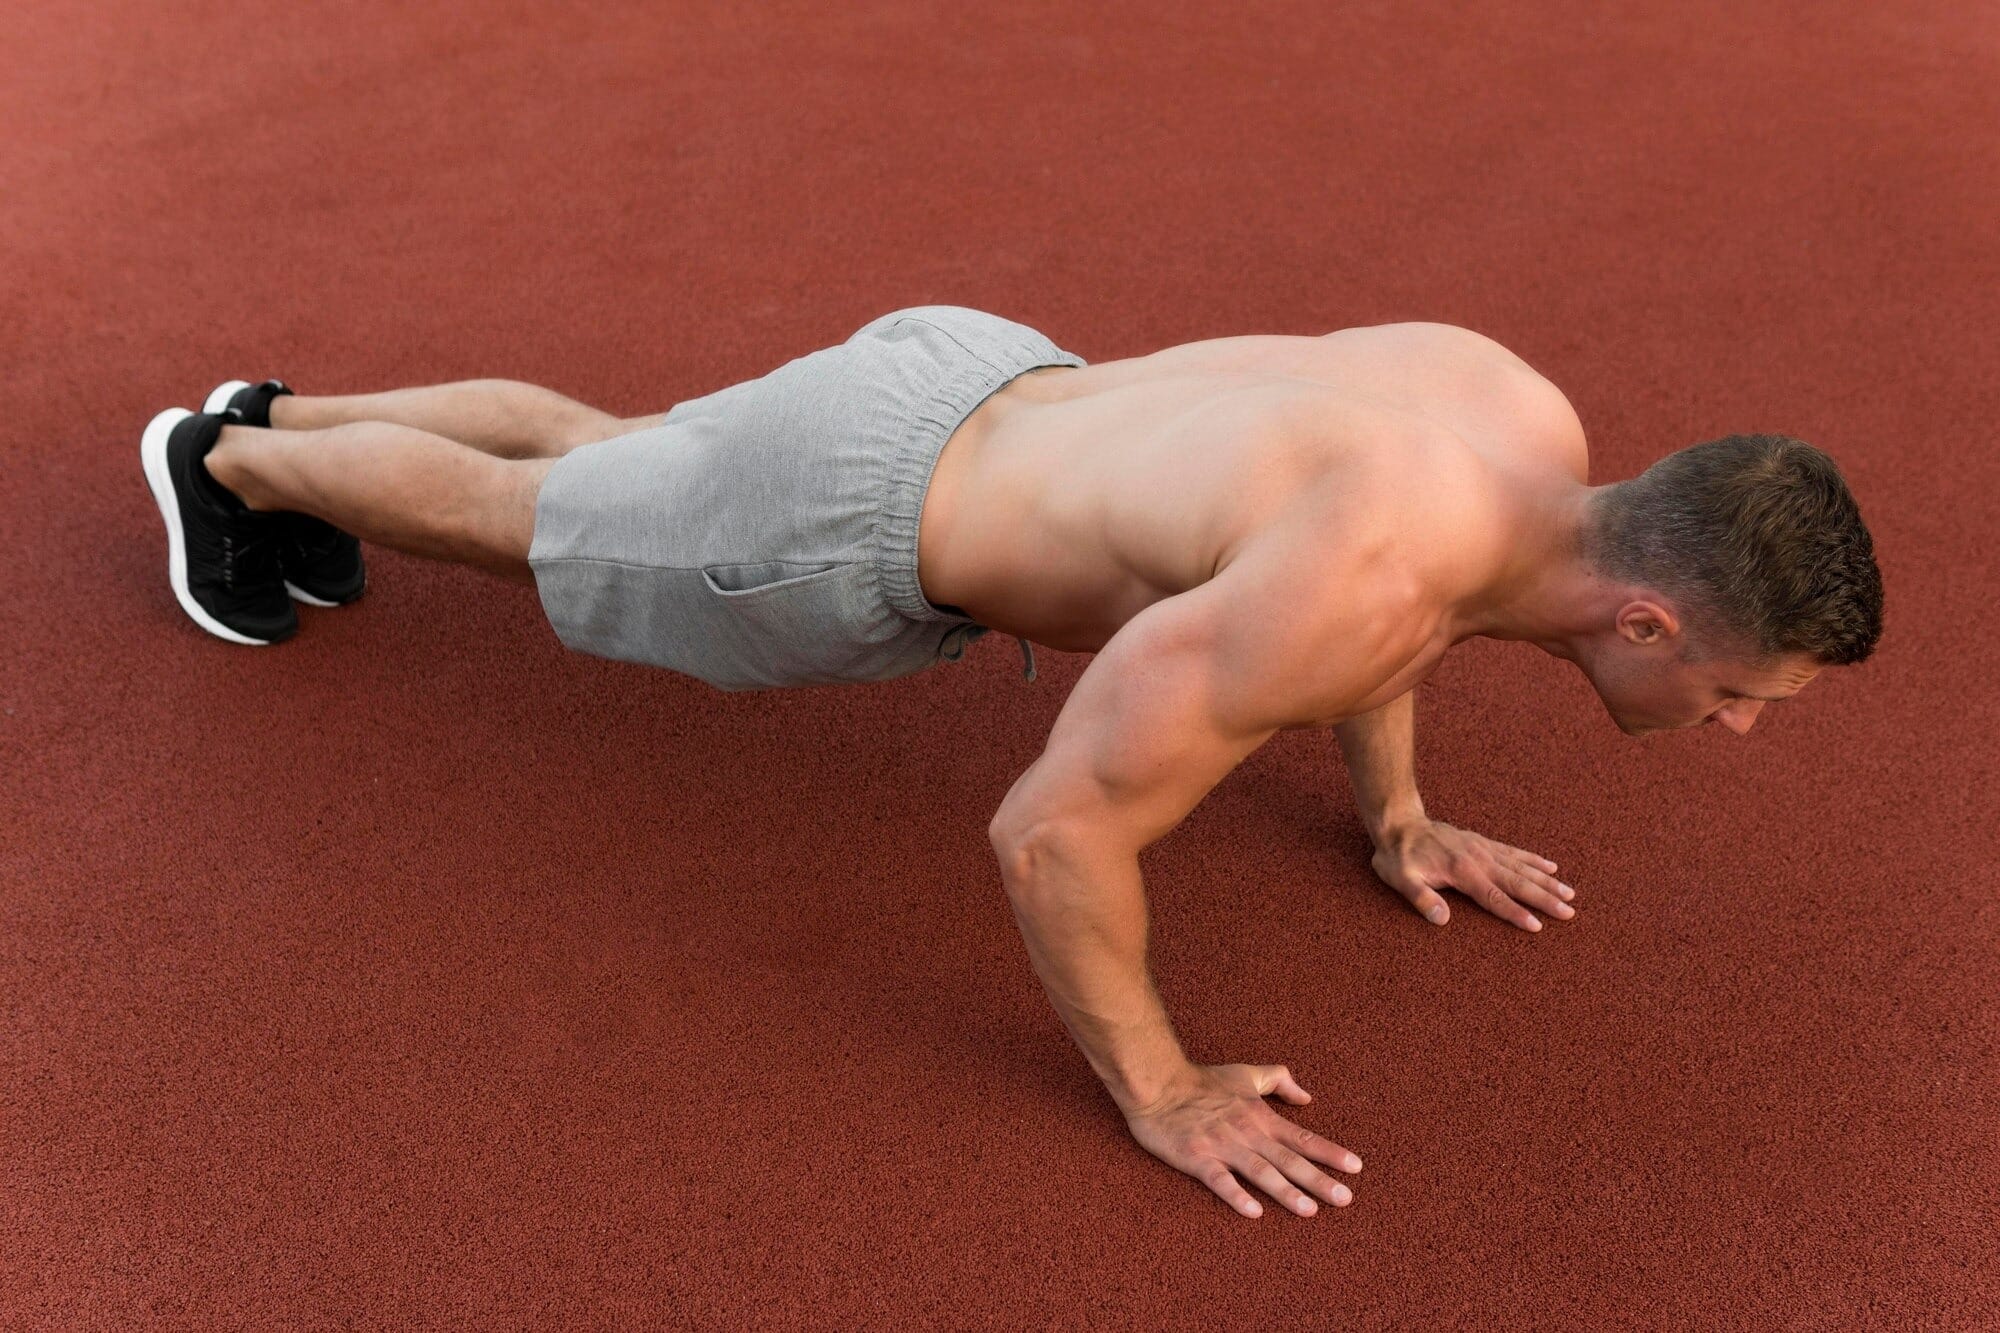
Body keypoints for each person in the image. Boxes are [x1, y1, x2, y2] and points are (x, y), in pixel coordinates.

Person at [137, 305, 1884, 1220]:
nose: (1737, 729)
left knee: (620, 452)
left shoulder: (1515, 424)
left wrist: (1400, 813)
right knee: (549, 524)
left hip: (973, 376)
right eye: (1749, 693)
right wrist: (1164, 1086)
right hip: (857, 519)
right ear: (1649, 619)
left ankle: (295, 416)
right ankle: (232, 472)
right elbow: (1054, 831)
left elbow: (1382, 591)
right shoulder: (1372, 588)